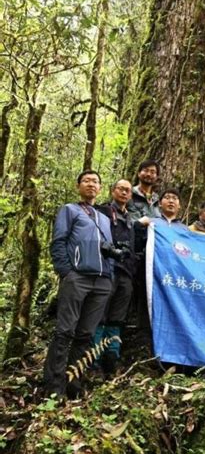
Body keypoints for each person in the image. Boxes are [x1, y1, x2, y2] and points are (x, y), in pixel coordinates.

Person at [43, 170, 114, 398]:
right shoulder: (70, 210)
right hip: (78, 277)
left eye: (95, 181)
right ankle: (53, 388)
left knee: (86, 334)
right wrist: (66, 272)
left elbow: (109, 249)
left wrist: (109, 274)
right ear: (78, 186)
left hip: (102, 281)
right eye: (87, 181)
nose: (91, 184)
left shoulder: (104, 218)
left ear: (100, 188)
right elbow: (59, 241)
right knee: (65, 331)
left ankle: (74, 383)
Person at [95, 179, 149, 375]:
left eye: (128, 191)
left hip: (127, 272)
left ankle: (111, 358)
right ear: (113, 190)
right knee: (100, 314)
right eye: (121, 189)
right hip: (107, 269)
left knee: (117, 317)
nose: (125, 193)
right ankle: (93, 361)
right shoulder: (102, 212)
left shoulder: (130, 218)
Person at [127, 159, 161, 337]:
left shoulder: (157, 200)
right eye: (146, 170)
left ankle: (144, 332)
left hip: (153, 254)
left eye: (153, 172)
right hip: (133, 250)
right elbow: (120, 217)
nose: (149, 174)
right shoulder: (129, 194)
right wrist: (138, 223)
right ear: (139, 173)